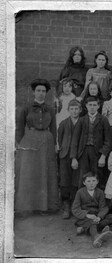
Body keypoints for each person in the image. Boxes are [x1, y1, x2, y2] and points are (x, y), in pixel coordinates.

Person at [15, 79, 59, 213]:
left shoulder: (50, 109)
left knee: (45, 172)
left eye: (44, 91)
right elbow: (20, 128)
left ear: (46, 93)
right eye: (38, 91)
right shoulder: (26, 108)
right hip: (30, 140)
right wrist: (19, 144)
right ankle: (27, 206)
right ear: (34, 92)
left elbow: (53, 128)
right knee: (30, 172)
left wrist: (55, 144)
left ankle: (44, 207)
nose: (41, 93)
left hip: (47, 141)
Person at [70, 96, 112, 190]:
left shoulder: (103, 120)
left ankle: (97, 201)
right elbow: (75, 140)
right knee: (83, 176)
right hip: (83, 151)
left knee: (97, 176)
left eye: (94, 105)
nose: (92, 107)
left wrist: (103, 156)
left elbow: (108, 140)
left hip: (97, 152)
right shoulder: (81, 120)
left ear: (98, 106)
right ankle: (83, 201)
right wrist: (73, 158)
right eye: (90, 105)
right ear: (86, 106)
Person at [71, 172, 112, 248]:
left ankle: (84, 228)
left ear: (97, 182)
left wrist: (99, 217)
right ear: (84, 182)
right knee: (91, 222)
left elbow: (103, 207)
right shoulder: (80, 192)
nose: (91, 183)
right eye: (89, 181)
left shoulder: (100, 192)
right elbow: (75, 208)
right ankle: (96, 237)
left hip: (96, 216)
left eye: (93, 181)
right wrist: (87, 215)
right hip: (85, 217)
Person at [57, 99, 82, 219]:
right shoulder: (63, 123)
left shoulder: (83, 123)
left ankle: (74, 205)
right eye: (72, 108)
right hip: (65, 155)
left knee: (75, 181)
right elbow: (60, 139)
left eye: (76, 108)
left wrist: (76, 157)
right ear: (68, 110)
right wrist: (63, 150)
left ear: (80, 110)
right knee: (65, 181)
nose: (74, 111)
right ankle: (66, 205)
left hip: (78, 156)